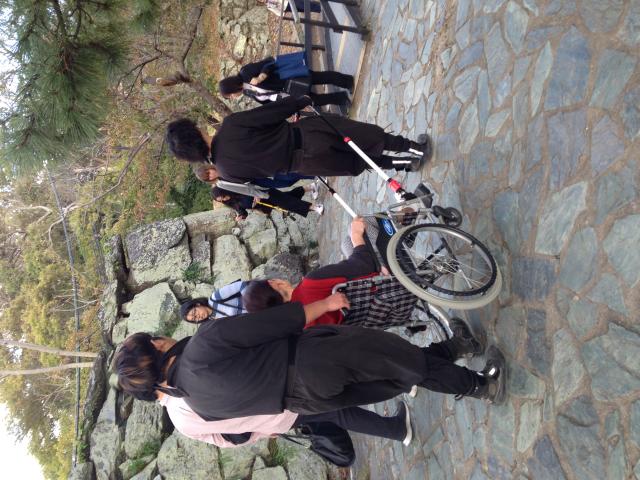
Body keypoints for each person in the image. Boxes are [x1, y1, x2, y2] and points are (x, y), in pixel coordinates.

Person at [115, 297, 507, 428]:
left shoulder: (198, 404)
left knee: (398, 372)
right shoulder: (203, 344)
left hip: (309, 401)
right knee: (401, 360)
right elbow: (278, 321)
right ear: (157, 346)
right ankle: (479, 385)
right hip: (313, 360)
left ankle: (455, 347)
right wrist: (328, 303)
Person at [125, 334, 413, 448]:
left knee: (340, 411)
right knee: (344, 384)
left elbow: (228, 440)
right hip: (282, 387)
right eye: (156, 339)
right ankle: (404, 378)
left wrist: (263, 433)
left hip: (280, 417)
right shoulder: (188, 376)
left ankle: (397, 425)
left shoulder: (180, 422)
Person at [165, 96, 432, 182]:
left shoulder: (226, 173)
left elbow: (263, 175)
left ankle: (405, 165)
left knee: (359, 161)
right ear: (195, 132)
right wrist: (300, 100)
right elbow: (271, 113)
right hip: (309, 134)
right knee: (366, 138)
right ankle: (414, 148)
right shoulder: (231, 127)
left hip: (306, 165)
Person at [219, 53, 352, 107]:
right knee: (313, 101)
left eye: (230, 95)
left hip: (287, 78)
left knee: (318, 78)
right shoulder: (246, 92)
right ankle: (342, 99)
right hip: (287, 92)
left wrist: (260, 77)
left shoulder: (245, 72)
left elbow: (269, 63)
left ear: (232, 88)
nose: (233, 97)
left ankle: (347, 81)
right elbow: (265, 99)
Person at [212, 185, 324, 220]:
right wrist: (241, 217)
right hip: (267, 205)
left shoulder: (236, 189)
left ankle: (316, 207)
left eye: (223, 196)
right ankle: (311, 187)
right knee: (290, 197)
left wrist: (256, 195)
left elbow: (250, 187)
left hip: (266, 195)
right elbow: (242, 212)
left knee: (289, 204)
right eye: (222, 200)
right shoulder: (232, 203)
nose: (224, 199)